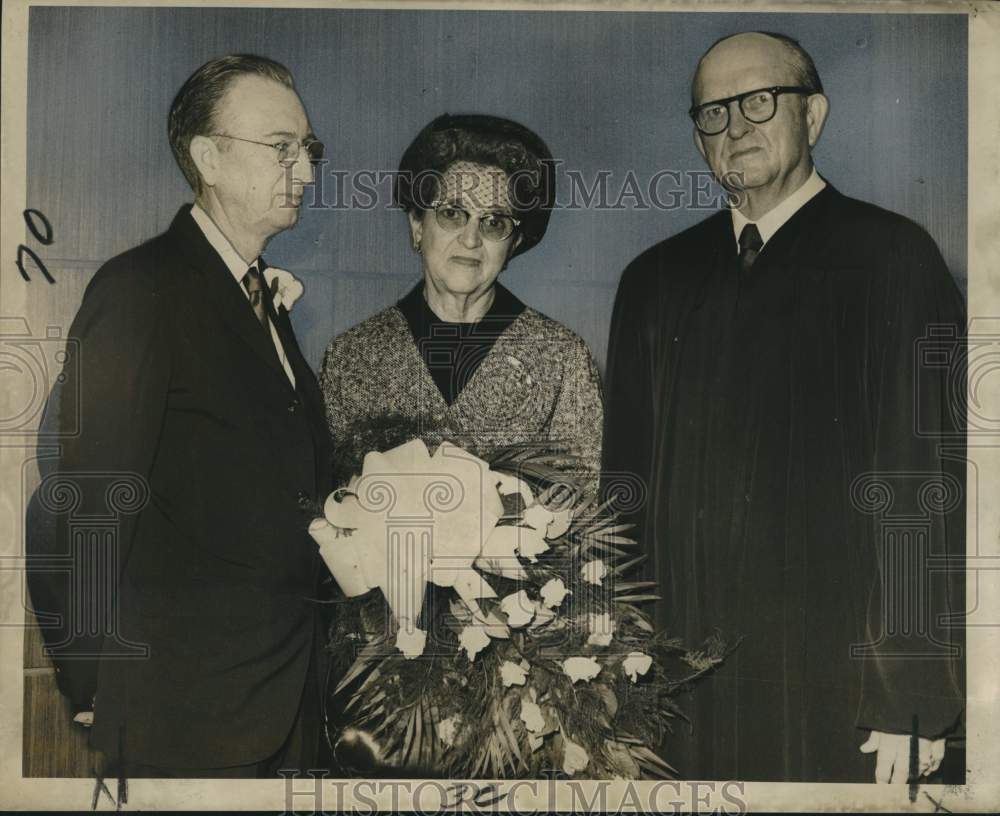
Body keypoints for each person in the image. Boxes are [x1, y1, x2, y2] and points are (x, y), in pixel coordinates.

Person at [602, 32, 965, 782]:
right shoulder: (654, 280)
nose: (735, 127)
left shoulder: (892, 259)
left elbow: (922, 489)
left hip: (839, 685)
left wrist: (909, 694)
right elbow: (622, 499)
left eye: (760, 101)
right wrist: (614, 679)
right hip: (679, 688)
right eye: (713, 112)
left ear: (816, 115)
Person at [25, 54, 333, 778]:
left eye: (309, 150)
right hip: (185, 713)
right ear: (208, 157)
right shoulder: (142, 290)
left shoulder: (262, 301)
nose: (308, 172)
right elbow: (88, 501)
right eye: (282, 148)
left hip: (284, 704)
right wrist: (91, 679)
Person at [320, 113, 603, 484]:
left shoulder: (563, 358)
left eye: (495, 222)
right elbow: (331, 501)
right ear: (417, 225)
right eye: (452, 214)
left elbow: (580, 509)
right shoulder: (351, 357)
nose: (471, 239)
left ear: (514, 243)